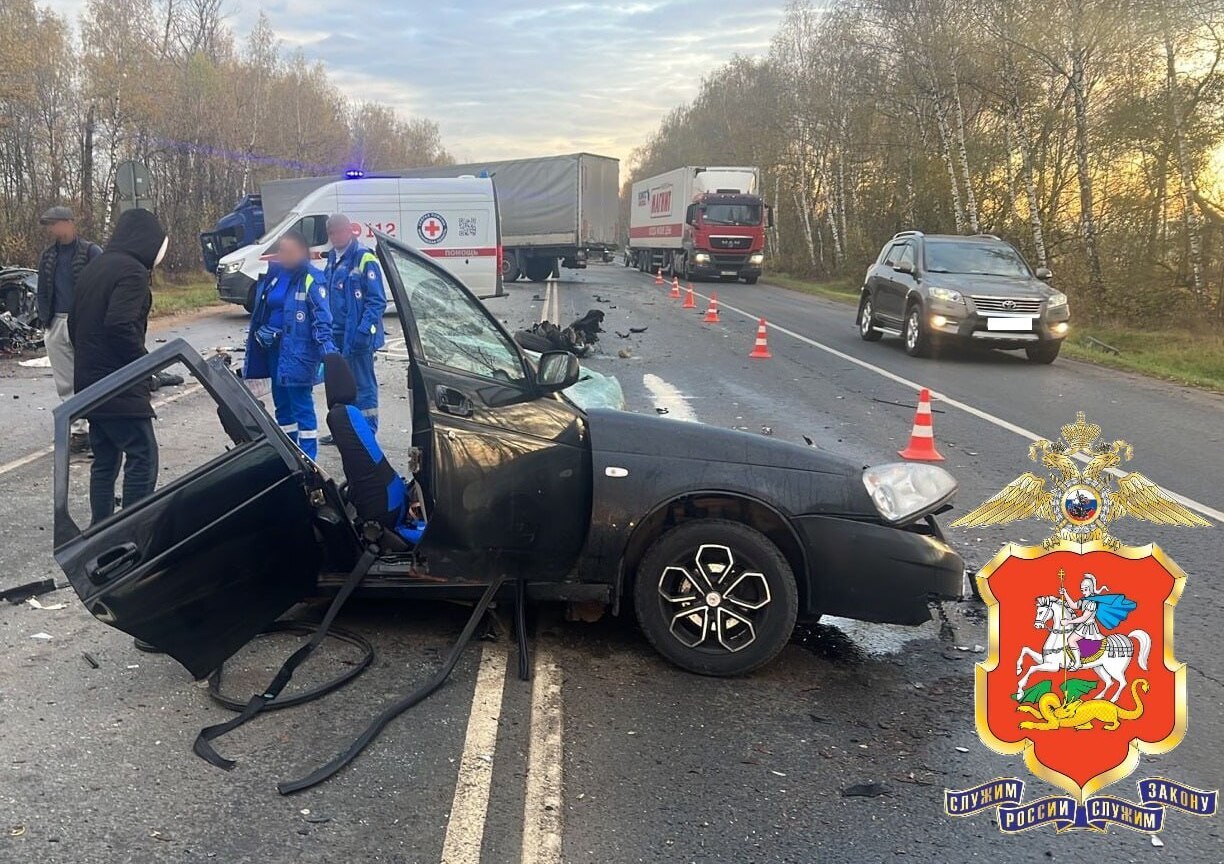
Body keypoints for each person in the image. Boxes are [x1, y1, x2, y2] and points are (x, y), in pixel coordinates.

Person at [70, 208, 168, 526]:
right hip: (120, 385)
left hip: (91, 384)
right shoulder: (132, 272)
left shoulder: (95, 267)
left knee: (105, 460)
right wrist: (145, 367)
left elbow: (74, 323)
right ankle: (131, 531)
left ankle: (101, 528)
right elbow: (120, 324)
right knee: (143, 456)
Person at [243, 230, 335, 460]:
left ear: (302, 252)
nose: (282, 255)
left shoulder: (311, 278)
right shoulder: (275, 275)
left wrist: (329, 355)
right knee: (282, 405)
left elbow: (322, 319)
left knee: (301, 405)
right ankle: (288, 452)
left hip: (298, 353)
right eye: (281, 250)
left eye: (288, 251)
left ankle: (308, 457)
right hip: (274, 351)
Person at [36, 206, 102, 453]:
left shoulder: (91, 251)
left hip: (84, 322)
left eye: (53, 224)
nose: (51, 229)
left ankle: (98, 430)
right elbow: (42, 288)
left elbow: (103, 284)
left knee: (91, 376)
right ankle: (78, 432)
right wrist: (46, 320)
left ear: (68, 223)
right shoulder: (48, 255)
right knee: (65, 381)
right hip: (56, 321)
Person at [321, 214, 386, 440]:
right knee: (340, 387)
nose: (336, 236)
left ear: (350, 231)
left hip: (358, 335)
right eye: (332, 232)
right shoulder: (331, 258)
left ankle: (366, 433)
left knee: (363, 386)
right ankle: (344, 431)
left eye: (340, 231)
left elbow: (377, 300)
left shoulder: (363, 258)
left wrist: (362, 330)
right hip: (335, 335)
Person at [1060, 572, 1136, 670]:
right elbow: (1074, 606)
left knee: (1071, 639)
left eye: (1085, 589)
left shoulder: (1092, 602)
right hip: (1082, 626)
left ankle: (1078, 662)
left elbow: (1084, 618)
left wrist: (1068, 622)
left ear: (1091, 589)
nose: (1083, 592)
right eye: (1082, 590)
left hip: (1088, 628)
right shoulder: (1084, 600)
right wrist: (1065, 593)